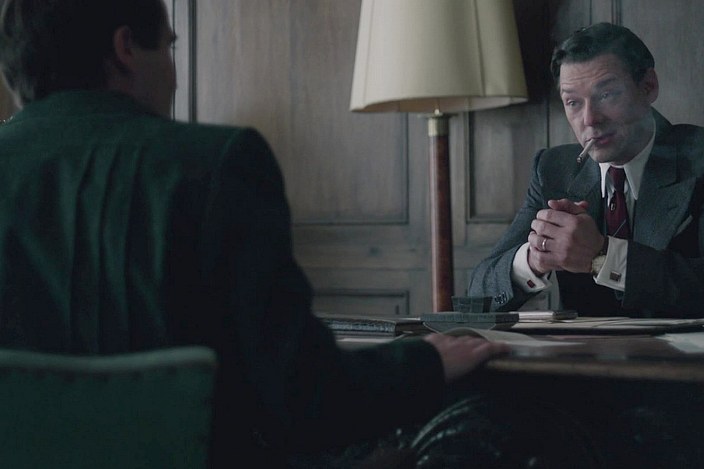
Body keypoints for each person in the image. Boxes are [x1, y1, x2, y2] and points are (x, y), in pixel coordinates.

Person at [0, 0, 508, 466]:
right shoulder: (217, 164)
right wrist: (425, 361)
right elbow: (302, 397)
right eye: (170, 48)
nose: (174, 77)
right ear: (126, 47)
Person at [469, 22, 704, 324]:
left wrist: (602, 256)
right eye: (573, 102)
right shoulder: (553, 169)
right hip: (585, 354)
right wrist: (534, 259)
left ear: (648, 86)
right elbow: (478, 295)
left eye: (607, 95)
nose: (589, 119)